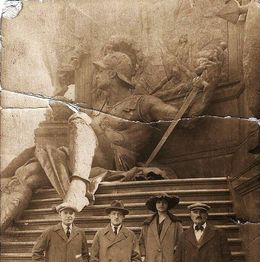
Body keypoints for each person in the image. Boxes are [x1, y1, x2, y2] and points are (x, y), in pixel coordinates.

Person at [0, 37, 226, 232]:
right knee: (25, 173)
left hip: (116, 161)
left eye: (100, 71)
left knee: (80, 119)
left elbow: (187, 121)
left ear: (112, 74)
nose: (96, 76)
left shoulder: (143, 103)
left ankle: (78, 187)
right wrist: (60, 87)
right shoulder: (101, 108)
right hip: (85, 162)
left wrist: (210, 86)